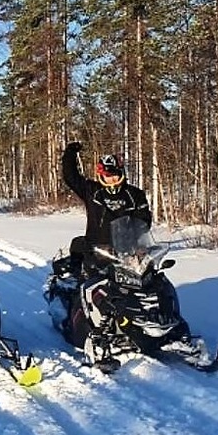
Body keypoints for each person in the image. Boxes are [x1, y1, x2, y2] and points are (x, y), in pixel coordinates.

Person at [50, 143, 153, 345]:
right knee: (89, 287)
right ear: (101, 176)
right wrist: (70, 154)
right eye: (108, 176)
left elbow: (144, 221)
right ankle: (78, 326)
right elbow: (71, 178)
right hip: (96, 252)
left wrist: (139, 244)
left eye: (115, 175)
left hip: (127, 253)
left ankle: (158, 323)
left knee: (150, 284)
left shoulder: (134, 194)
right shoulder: (92, 191)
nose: (112, 179)